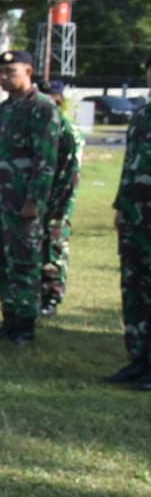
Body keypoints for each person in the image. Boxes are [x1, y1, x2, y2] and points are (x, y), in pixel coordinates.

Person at [0, 50, 61, 345]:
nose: (4, 78)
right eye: (1, 73)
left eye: (10, 72)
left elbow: (47, 161)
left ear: (28, 71)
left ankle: (25, 325)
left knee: (24, 263)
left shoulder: (43, 109)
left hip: (23, 204)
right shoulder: (4, 110)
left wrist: (34, 201)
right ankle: (9, 318)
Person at [108, 54, 151, 388]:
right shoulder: (141, 117)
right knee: (134, 288)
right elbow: (129, 167)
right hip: (136, 218)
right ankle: (138, 359)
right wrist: (121, 205)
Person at [39, 79, 82, 317]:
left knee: (54, 249)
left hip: (57, 202)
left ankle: (52, 298)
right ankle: (38, 295)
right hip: (38, 200)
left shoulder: (66, 130)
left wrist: (60, 205)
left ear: (59, 100)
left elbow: (71, 172)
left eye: (50, 98)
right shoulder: (43, 128)